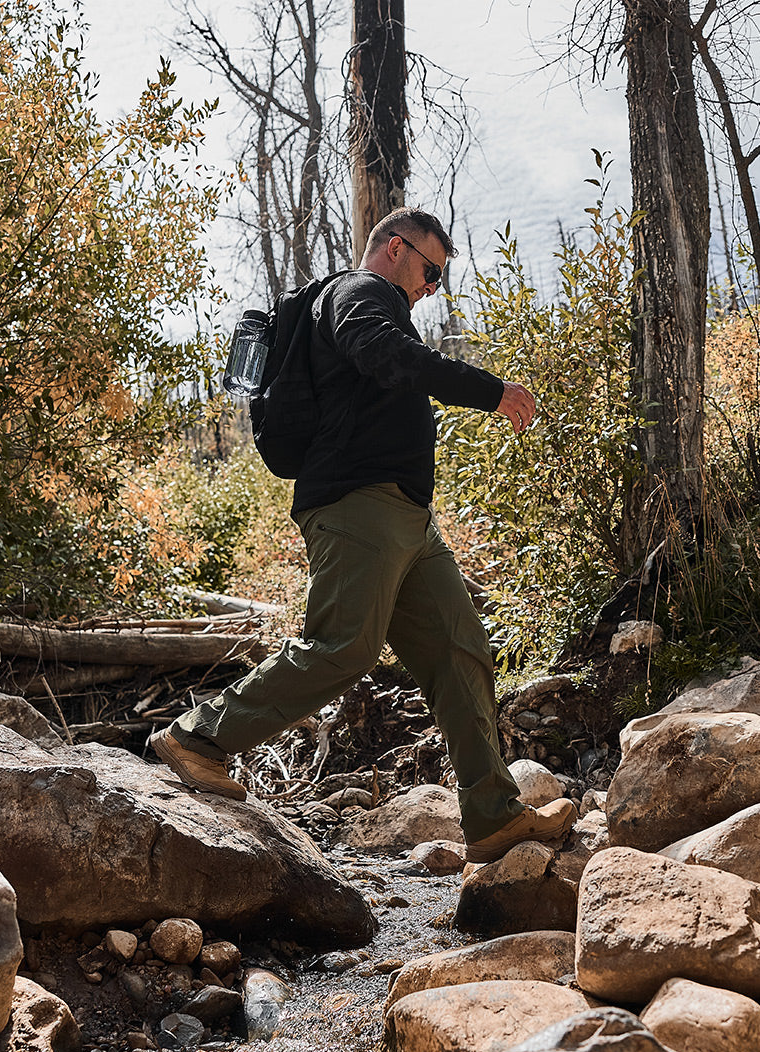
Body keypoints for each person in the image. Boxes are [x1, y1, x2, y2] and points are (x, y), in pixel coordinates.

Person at [150, 206, 574, 864]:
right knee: (344, 647)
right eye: (430, 272)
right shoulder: (359, 292)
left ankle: (492, 817)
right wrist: (487, 390)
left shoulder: (376, 298)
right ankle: (196, 737)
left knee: (461, 651)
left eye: (438, 281)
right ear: (396, 249)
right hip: (357, 501)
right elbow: (385, 354)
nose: (431, 289)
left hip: (407, 514)